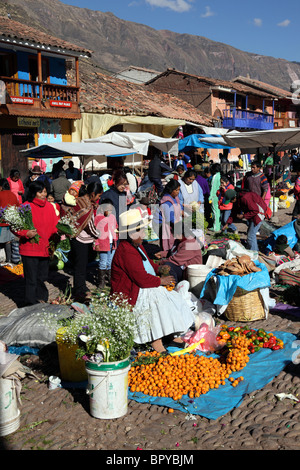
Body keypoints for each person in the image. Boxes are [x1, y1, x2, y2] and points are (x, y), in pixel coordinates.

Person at [110, 209, 196, 353]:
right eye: (141, 231)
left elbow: (149, 264)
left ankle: (171, 334)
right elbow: (141, 278)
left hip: (142, 286)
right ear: (131, 234)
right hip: (130, 293)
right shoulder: (126, 251)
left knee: (171, 298)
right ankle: (156, 341)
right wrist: (161, 281)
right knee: (155, 302)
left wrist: (160, 269)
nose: (144, 234)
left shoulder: (137, 246)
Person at [13, 181, 59, 305]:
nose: (44, 194)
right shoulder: (25, 207)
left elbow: (55, 225)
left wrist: (59, 233)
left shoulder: (50, 207)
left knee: (42, 277)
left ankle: (41, 300)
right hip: (30, 249)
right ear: (34, 193)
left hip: (45, 248)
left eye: (45, 191)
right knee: (31, 279)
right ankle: (30, 304)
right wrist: (25, 233)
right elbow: (14, 226)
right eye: (40, 192)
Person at [64, 182, 103, 303]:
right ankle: (79, 290)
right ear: (92, 194)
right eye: (98, 196)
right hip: (82, 239)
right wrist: (98, 234)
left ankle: (80, 287)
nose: (99, 198)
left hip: (75, 237)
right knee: (81, 267)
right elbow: (88, 225)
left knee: (80, 265)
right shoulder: (86, 206)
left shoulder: (80, 200)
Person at [152, 179, 183, 252]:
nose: (178, 192)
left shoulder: (175, 198)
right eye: (176, 190)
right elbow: (170, 218)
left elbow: (179, 207)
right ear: (171, 190)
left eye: (179, 190)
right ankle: (165, 253)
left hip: (171, 222)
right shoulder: (166, 201)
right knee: (166, 240)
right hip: (160, 223)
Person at [94, 200, 118, 289]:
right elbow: (95, 232)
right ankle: (101, 282)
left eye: (111, 210)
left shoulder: (112, 217)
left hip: (112, 242)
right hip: (103, 243)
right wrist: (96, 243)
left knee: (110, 262)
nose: (110, 212)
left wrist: (116, 236)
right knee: (103, 262)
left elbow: (115, 227)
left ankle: (110, 280)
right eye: (108, 209)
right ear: (103, 208)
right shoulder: (98, 218)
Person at [0, 178, 19, 265]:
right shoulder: (13, 195)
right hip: (11, 222)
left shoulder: (0, 194)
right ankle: (9, 259)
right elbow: (18, 207)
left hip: (2, 222)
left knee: (3, 240)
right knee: (8, 241)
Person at [209, 163, 222, 232]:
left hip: (214, 196)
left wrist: (210, 197)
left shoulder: (215, 176)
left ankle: (216, 227)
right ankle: (218, 226)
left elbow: (213, 188)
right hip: (219, 196)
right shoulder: (220, 175)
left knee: (215, 212)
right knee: (218, 211)